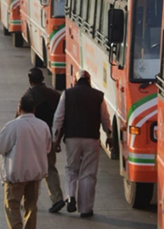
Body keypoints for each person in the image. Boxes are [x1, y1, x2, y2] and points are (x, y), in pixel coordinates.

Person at [52, 70, 113, 218]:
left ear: (75, 79)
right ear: (89, 80)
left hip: (72, 138)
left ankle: (71, 196)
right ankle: (85, 209)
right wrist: (109, 136)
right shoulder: (98, 96)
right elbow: (105, 119)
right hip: (91, 139)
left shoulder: (67, 94)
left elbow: (58, 118)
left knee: (71, 169)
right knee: (88, 173)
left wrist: (56, 140)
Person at [0, 94, 51, 229]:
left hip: (16, 175)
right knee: (31, 207)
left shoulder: (13, 126)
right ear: (34, 109)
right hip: (35, 175)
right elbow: (47, 148)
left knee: (12, 206)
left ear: (19, 108)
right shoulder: (43, 126)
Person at [22, 68, 65, 213]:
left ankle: (28, 199)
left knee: (30, 169)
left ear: (30, 80)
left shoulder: (28, 96)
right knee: (50, 168)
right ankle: (57, 198)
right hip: (48, 137)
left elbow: (19, 118)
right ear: (42, 79)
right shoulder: (54, 94)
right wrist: (57, 139)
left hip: (32, 138)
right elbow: (61, 118)